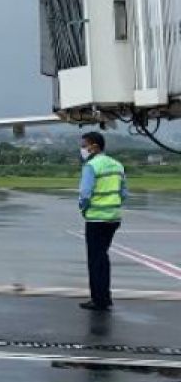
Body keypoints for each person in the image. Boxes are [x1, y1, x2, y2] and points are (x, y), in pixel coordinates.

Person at [78, 131, 127, 311]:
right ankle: (104, 296)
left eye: (84, 145)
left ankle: (99, 299)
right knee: (102, 258)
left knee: (95, 260)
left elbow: (85, 193)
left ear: (94, 146)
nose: (82, 149)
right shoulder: (118, 165)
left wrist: (84, 209)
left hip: (96, 219)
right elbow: (123, 193)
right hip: (113, 218)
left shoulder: (91, 166)